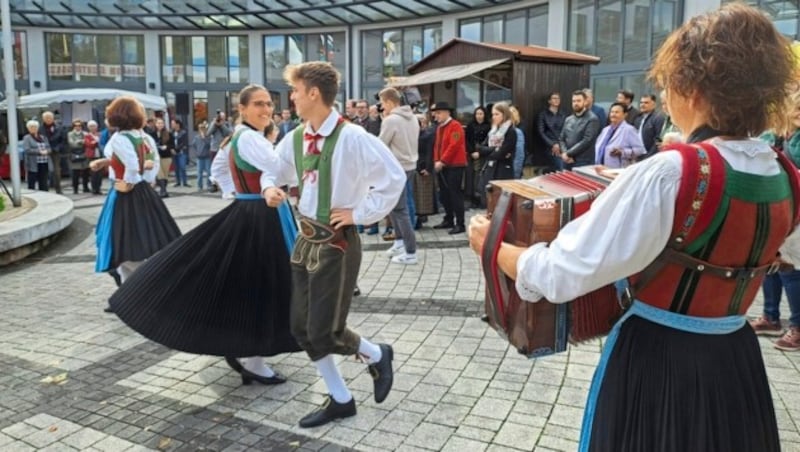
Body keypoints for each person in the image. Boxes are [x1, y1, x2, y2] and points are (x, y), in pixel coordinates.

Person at [468, 3, 797, 451]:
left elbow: (558, 275)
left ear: (695, 89)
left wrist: (493, 247)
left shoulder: (671, 171)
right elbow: (781, 252)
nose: (664, 98)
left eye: (668, 85)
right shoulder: (785, 173)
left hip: (657, 364)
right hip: (735, 359)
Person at [107, 85, 301, 384]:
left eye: (269, 105)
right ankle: (254, 359)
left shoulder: (235, 137)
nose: (266, 110)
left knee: (251, 284)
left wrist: (235, 193)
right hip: (263, 216)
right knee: (267, 286)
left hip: (250, 211)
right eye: (259, 104)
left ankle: (248, 352)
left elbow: (219, 171)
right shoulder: (250, 138)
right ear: (243, 108)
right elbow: (280, 171)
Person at [261, 61, 405, 428]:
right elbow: (274, 169)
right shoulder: (295, 137)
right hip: (304, 239)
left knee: (324, 329)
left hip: (338, 243)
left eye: (295, 90)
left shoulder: (354, 137)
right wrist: (270, 188)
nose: (290, 97)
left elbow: (392, 178)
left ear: (313, 93)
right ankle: (344, 394)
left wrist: (358, 214)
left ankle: (374, 356)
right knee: (301, 327)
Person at [90, 96, 181, 287]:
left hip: (125, 193)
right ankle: (133, 288)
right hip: (143, 192)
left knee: (120, 242)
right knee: (145, 239)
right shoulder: (143, 137)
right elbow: (148, 165)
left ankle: (131, 291)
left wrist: (132, 178)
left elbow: (132, 165)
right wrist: (109, 163)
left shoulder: (120, 138)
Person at [750, 89, 800, 351]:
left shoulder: (792, 140)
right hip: (778, 205)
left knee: (792, 268)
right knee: (770, 263)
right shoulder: (774, 135)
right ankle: (770, 316)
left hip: (797, 211)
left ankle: (797, 326)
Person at [378, 87, 420, 265]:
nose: (381, 107)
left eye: (382, 103)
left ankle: (410, 252)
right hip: (410, 166)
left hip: (396, 168)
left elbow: (380, 145)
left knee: (400, 210)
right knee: (395, 207)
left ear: (389, 102)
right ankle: (399, 242)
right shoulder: (413, 118)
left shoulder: (391, 120)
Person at [431, 101, 467, 234]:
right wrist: (436, 160)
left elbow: (454, 145)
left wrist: (442, 161)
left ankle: (460, 223)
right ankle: (449, 219)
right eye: (436, 113)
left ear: (447, 112)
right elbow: (437, 146)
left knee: (455, 194)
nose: (436, 116)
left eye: (439, 113)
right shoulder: (440, 127)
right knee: (445, 194)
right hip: (443, 165)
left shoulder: (455, 126)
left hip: (455, 165)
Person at [474, 102, 516, 206]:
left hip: (503, 170)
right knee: (489, 200)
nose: (494, 117)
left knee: (500, 202)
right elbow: (479, 148)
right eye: (493, 114)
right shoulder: (492, 131)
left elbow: (502, 153)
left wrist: (490, 151)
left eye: (497, 114)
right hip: (490, 167)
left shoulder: (510, 131)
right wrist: (494, 149)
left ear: (504, 114)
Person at [594, 102, 646, 168]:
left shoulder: (629, 130)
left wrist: (622, 152)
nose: (613, 114)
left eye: (617, 112)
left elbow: (640, 150)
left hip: (618, 170)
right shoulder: (605, 130)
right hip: (601, 168)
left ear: (625, 115)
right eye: (612, 112)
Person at [465, 106, 491, 207]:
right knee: (469, 176)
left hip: (483, 153)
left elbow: (489, 142)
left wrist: (480, 152)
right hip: (471, 153)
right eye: (477, 114)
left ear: (484, 115)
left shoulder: (489, 126)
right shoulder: (470, 125)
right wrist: (472, 151)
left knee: (480, 176)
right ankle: (469, 198)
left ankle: (480, 199)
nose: (479, 116)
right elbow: (466, 140)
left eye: (481, 114)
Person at [22, 120, 50, 191]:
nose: (33, 128)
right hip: (33, 163)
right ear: (28, 128)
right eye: (31, 127)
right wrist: (39, 152)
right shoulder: (26, 138)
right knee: (32, 181)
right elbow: (27, 150)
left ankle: (44, 194)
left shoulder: (43, 137)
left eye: (35, 127)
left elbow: (49, 147)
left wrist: (47, 151)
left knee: (43, 181)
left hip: (44, 162)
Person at [67, 119, 89, 194]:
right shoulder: (70, 134)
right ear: (73, 126)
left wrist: (79, 142)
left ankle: (85, 188)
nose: (78, 127)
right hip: (74, 154)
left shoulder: (85, 133)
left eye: (79, 125)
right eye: (76, 125)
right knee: (75, 173)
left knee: (85, 172)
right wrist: (80, 142)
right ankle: (75, 189)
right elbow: (72, 144)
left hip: (84, 154)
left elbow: (87, 143)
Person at [153, 118, 172, 198]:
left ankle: (163, 191)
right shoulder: (152, 134)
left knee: (165, 174)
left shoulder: (168, 133)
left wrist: (166, 147)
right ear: (155, 124)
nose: (160, 125)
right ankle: (163, 191)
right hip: (156, 156)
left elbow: (172, 145)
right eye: (158, 123)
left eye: (161, 123)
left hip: (166, 156)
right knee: (159, 173)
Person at [84, 120, 104, 195]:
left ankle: (98, 188)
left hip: (100, 155)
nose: (93, 128)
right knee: (93, 173)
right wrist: (96, 142)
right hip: (91, 156)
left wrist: (95, 142)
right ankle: (94, 188)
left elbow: (102, 143)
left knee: (100, 173)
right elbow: (89, 144)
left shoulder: (100, 134)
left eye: (94, 126)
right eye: (91, 126)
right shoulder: (87, 135)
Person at [191, 122, 212, 191]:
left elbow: (209, 145)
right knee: (199, 173)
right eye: (201, 129)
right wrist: (196, 152)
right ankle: (200, 186)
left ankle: (209, 185)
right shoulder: (196, 137)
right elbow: (193, 145)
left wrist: (204, 138)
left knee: (209, 172)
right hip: (199, 157)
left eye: (204, 129)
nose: (202, 130)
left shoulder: (208, 137)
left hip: (207, 157)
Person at [171, 119, 189, 187]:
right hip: (173, 152)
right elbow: (170, 142)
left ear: (177, 124)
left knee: (182, 167)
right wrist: (172, 149)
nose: (172, 125)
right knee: (176, 167)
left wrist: (176, 149)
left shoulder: (183, 132)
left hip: (181, 152)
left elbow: (184, 143)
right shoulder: (171, 133)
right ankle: (178, 181)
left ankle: (185, 182)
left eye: (173, 123)